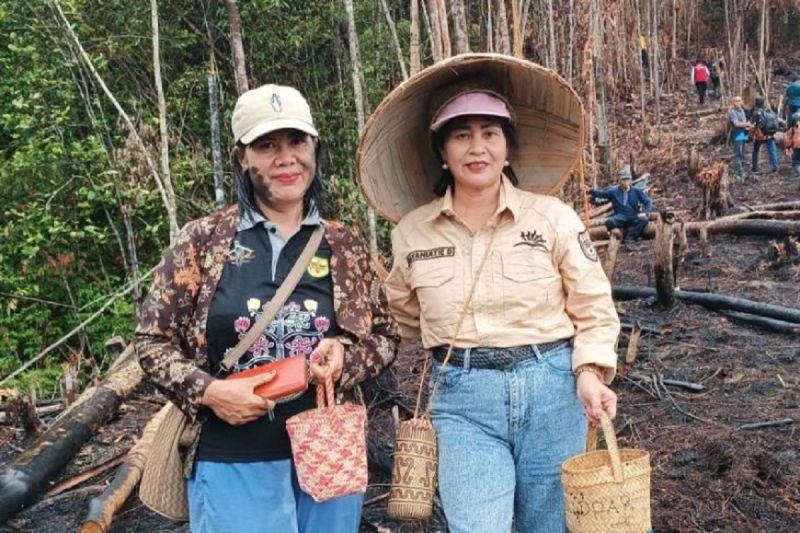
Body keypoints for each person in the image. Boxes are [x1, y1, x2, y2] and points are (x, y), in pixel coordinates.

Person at [359, 56, 620, 533]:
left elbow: (593, 307)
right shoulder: (413, 233)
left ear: (508, 146)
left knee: (551, 524)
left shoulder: (553, 219)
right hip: (462, 399)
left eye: (490, 133)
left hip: (553, 390)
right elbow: (400, 317)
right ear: (441, 149)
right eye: (461, 134)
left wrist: (590, 372)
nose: (476, 147)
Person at [135, 84, 399, 533]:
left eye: (297, 142)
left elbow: (386, 337)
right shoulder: (203, 240)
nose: (286, 158)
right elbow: (152, 343)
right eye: (266, 145)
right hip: (232, 453)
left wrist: (344, 359)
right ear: (242, 157)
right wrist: (210, 392)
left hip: (327, 453)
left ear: (314, 148)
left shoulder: (344, 244)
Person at [589, 165, 652, 243]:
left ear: (630, 180)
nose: (625, 182)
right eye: (623, 180)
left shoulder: (636, 191)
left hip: (633, 216)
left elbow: (647, 201)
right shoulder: (614, 191)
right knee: (609, 222)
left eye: (627, 179)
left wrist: (646, 213)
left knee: (644, 220)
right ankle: (619, 235)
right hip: (620, 217)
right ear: (620, 181)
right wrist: (589, 191)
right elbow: (601, 194)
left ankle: (630, 238)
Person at [750, 96, 781, 174]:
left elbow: (753, 124)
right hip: (770, 134)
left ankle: (754, 167)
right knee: (772, 150)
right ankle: (775, 168)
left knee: (756, 150)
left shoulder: (756, 112)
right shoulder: (770, 111)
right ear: (763, 102)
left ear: (756, 103)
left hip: (760, 135)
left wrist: (751, 133)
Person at [728, 96, 750, 179]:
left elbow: (743, 123)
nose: (738, 102)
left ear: (742, 102)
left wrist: (747, 127)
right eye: (736, 101)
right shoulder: (732, 112)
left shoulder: (742, 111)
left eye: (739, 101)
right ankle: (738, 173)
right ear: (733, 103)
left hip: (743, 133)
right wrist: (746, 124)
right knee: (738, 153)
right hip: (737, 134)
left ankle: (740, 169)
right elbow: (736, 124)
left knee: (742, 151)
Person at [786, 111, 800, 176]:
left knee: (796, 162)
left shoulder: (792, 129)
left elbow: (789, 139)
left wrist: (788, 147)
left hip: (797, 145)